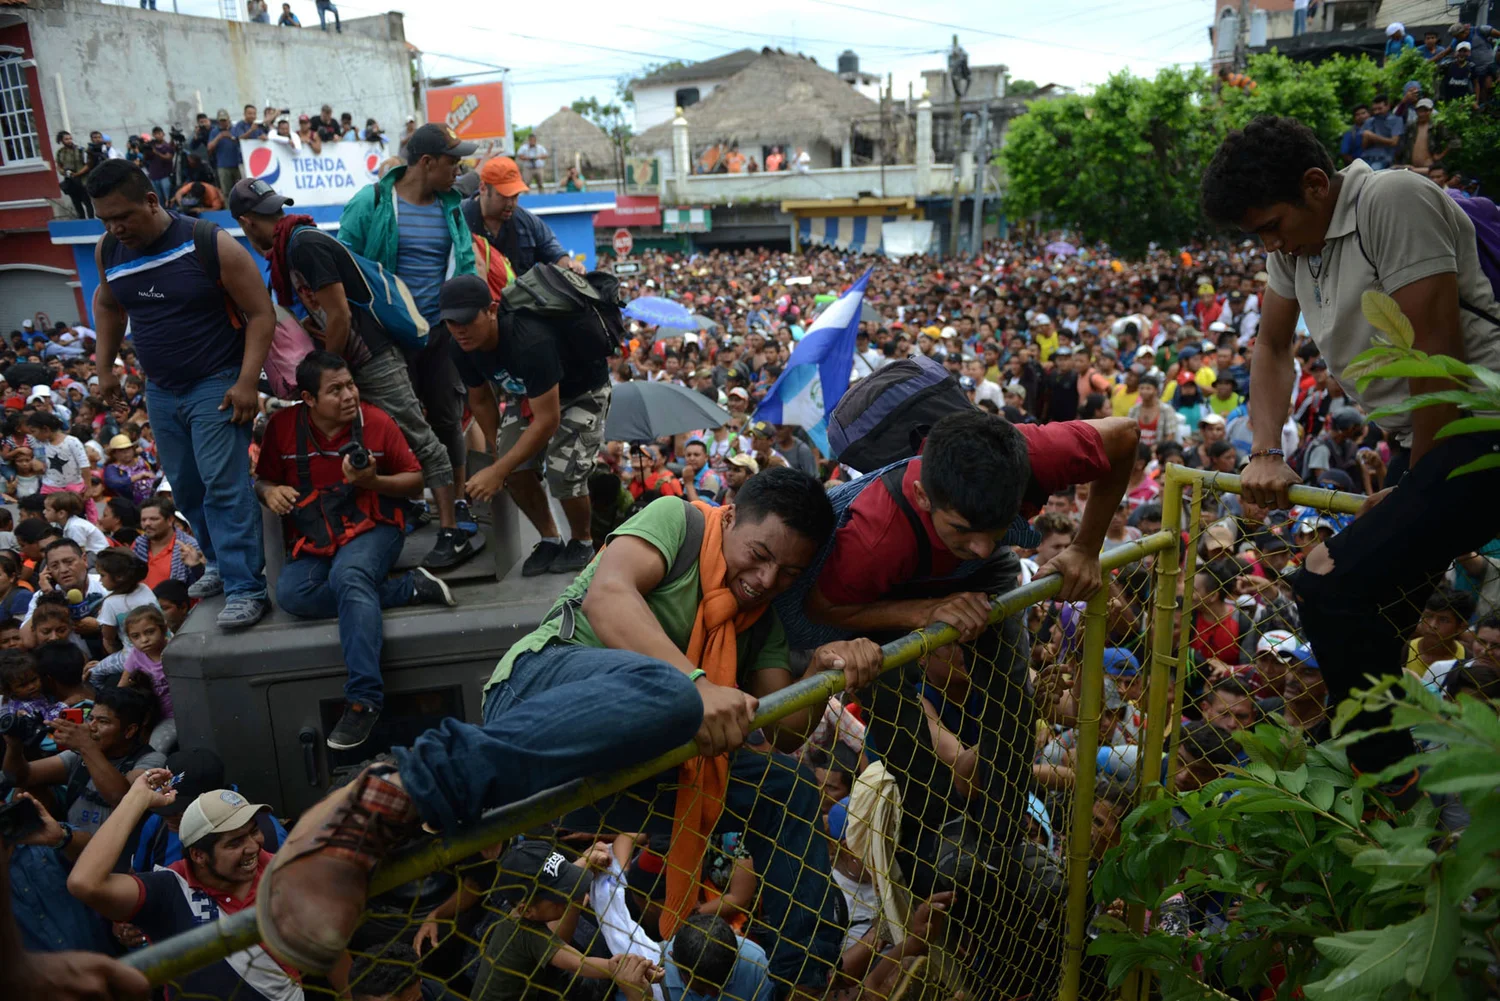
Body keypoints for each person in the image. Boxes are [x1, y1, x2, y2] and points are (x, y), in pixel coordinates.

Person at [256, 469, 881, 995]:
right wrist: (694, 683)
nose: (767, 581)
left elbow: (783, 729)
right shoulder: (679, 520)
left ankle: (805, 982)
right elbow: (608, 598)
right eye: (760, 556)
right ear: (733, 514)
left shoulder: (760, 618)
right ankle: (395, 791)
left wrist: (823, 671)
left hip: (636, 756)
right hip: (543, 691)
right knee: (669, 691)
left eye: (788, 574)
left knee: (784, 785)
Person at [1203, 115, 1500, 802]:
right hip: (1422, 439)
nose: (1270, 245)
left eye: (1272, 226)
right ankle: (1392, 765)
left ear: (1316, 185)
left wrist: (1417, 487)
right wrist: (1266, 451)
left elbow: (1435, 355)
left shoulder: (1391, 200)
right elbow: (1271, 345)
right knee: (1381, 614)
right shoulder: (1294, 244)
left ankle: (1393, 792)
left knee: (1327, 585)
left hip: (1478, 425)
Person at [233, 178, 471, 572]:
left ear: (245, 222)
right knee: (375, 438)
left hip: (371, 357)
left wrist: (328, 368)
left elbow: (340, 313)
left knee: (419, 437)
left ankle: (452, 531)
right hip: (352, 360)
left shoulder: (303, 245)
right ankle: (411, 509)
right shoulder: (289, 247)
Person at [87, 159, 273, 629]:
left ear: (151, 201)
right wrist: (104, 369)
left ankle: (247, 588)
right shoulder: (109, 249)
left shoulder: (209, 242)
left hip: (217, 382)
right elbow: (108, 304)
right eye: (105, 219)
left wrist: (246, 381)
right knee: (186, 487)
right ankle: (218, 564)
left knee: (224, 485)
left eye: (123, 216)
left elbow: (261, 313)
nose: (115, 227)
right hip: (161, 390)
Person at [254, 353, 458, 749]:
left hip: (375, 526)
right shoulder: (282, 427)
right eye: (335, 390)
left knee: (349, 576)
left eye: (350, 385)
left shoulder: (376, 421)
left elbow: (416, 481)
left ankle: (364, 700)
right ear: (308, 399)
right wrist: (270, 491)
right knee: (292, 594)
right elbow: (262, 480)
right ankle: (407, 588)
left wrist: (373, 481)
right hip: (317, 534)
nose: (349, 395)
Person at [338, 123, 483, 571]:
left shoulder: (452, 206)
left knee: (447, 417)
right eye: (452, 161)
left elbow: (464, 262)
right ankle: (412, 504)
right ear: (426, 162)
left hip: (439, 331)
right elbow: (342, 262)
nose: (458, 168)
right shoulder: (372, 202)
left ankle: (455, 505)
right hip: (387, 335)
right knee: (399, 426)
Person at [65, 771, 305, 1001]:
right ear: (199, 855)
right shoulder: (169, 890)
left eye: (254, 832)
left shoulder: (280, 870)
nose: (253, 847)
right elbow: (84, 883)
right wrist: (136, 799)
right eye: (235, 843)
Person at [442, 274, 612, 577]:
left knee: (564, 471)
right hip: (529, 393)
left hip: (581, 391)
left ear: (491, 311)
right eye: (451, 322)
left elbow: (548, 420)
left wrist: (499, 469)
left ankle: (582, 542)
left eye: (467, 320)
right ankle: (550, 538)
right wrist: (500, 455)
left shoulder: (530, 340)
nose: (459, 329)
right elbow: (480, 400)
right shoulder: (460, 346)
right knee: (514, 469)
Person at [3, 685, 165, 838]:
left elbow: (122, 798)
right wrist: (14, 747)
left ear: (129, 730)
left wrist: (86, 746)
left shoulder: (151, 760)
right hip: (69, 844)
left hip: (112, 850)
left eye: (103, 721)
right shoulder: (81, 755)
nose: (91, 727)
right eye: (90, 718)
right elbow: (20, 777)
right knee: (27, 791)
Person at [463, 156, 587, 277]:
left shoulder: (527, 222)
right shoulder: (459, 218)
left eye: (515, 196)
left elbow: (553, 252)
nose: (510, 203)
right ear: (483, 188)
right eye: (504, 196)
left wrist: (570, 266)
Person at [132, 496, 202, 589]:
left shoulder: (190, 547)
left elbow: (202, 584)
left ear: (170, 520)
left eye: (153, 519)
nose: (147, 524)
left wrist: (196, 566)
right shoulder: (138, 545)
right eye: (143, 520)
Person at [55, 131, 93, 220]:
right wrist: (63, 172)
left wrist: (77, 174)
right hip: (70, 180)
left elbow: (88, 165)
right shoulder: (60, 152)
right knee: (76, 203)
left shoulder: (80, 150)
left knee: (87, 202)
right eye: (66, 139)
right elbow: (59, 165)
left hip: (82, 179)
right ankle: (82, 220)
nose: (69, 141)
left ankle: (91, 220)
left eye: (70, 138)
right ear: (61, 141)